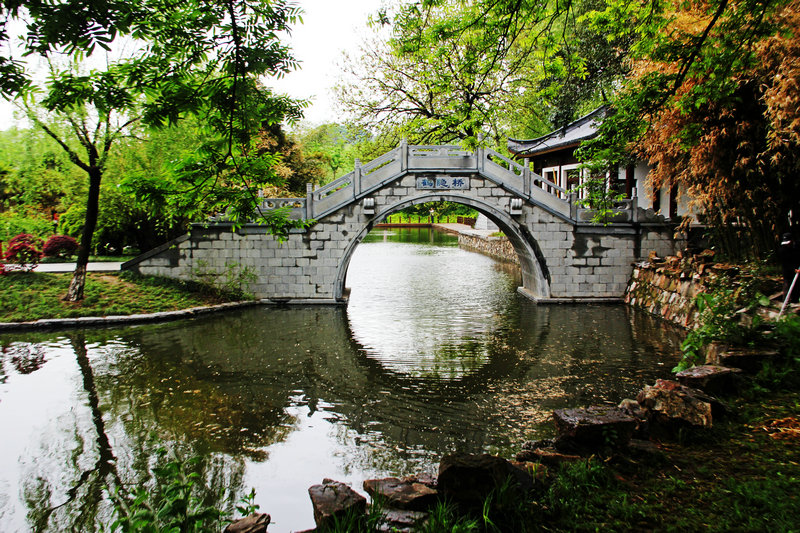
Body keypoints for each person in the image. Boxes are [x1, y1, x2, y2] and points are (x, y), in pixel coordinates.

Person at [778, 232, 800, 303]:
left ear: (792, 240)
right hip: (788, 272)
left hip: (797, 267)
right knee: (790, 287)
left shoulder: (797, 245)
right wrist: (794, 269)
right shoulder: (782, 250)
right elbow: (785, 263)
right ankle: (791, 302)